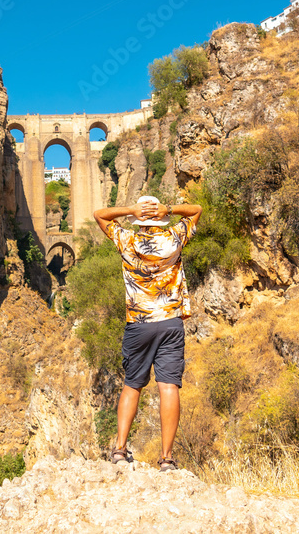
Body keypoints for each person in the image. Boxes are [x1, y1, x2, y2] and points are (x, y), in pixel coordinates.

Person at [92, 195, 202, 471]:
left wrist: (130, 210)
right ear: (162, 218)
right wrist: (170, 209)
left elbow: (100, 215)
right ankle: (166, 458)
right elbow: (197, 210)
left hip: (139, 324)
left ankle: (119, 450)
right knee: (168, 386)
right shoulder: (175, 237)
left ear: (137, 220)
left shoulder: (127, 240)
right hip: (170, 323)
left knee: (132, 384)